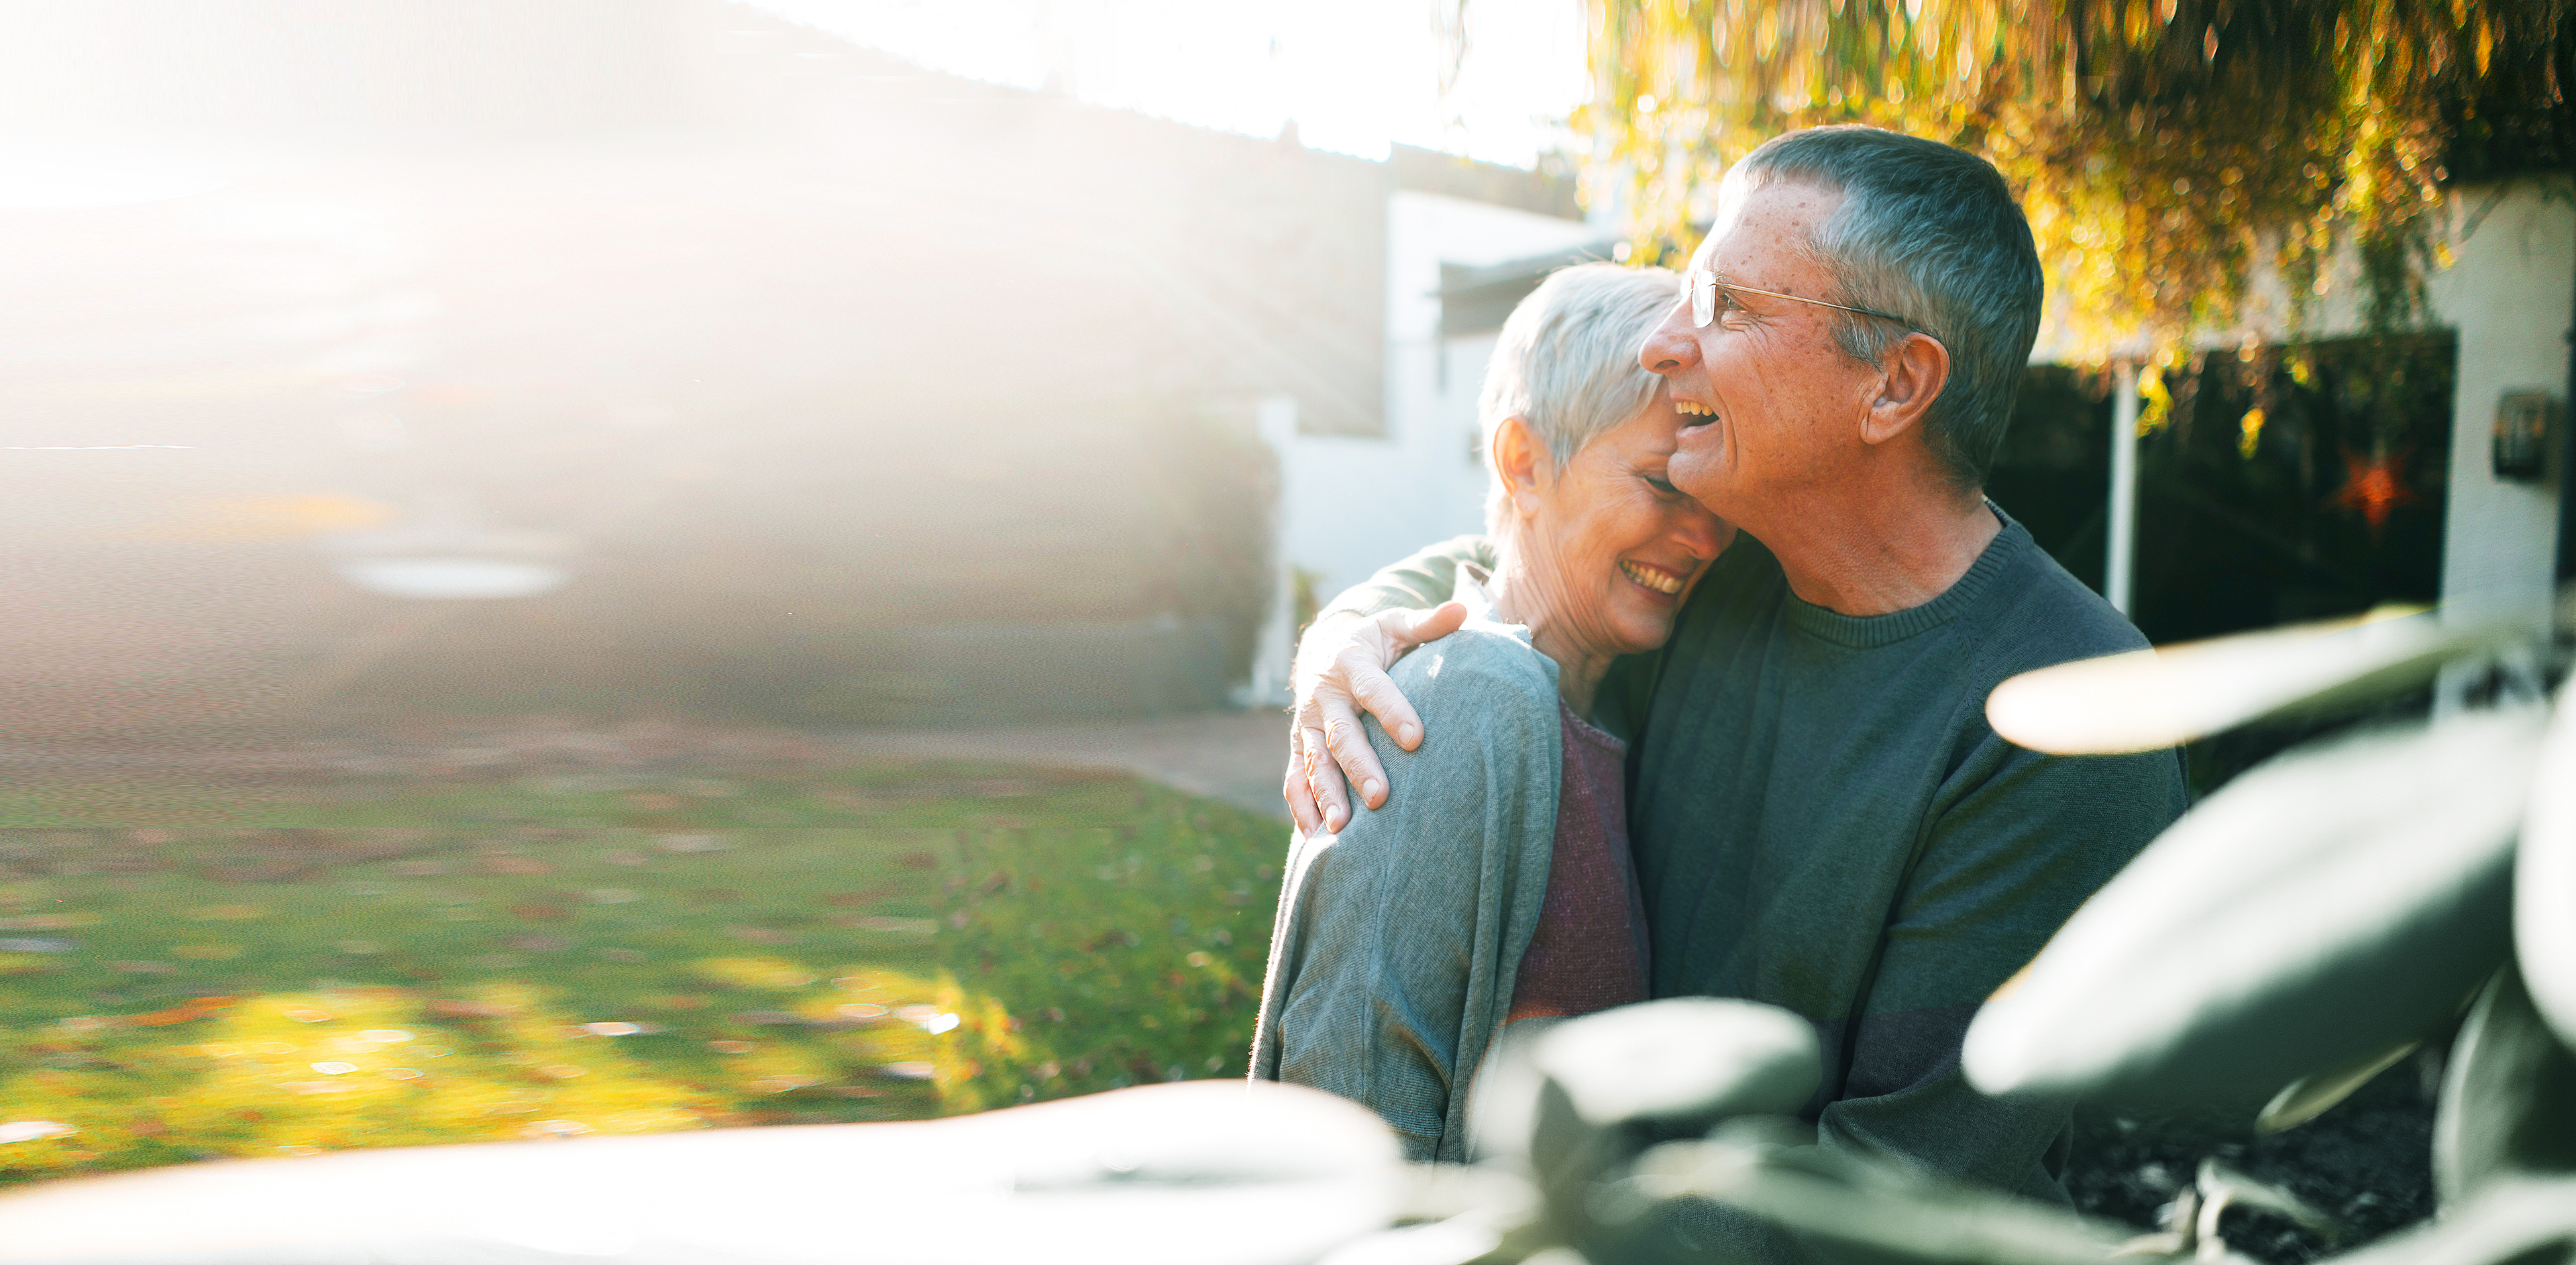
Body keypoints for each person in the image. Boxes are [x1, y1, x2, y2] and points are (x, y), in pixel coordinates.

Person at [1282, 126, 2190, 1240]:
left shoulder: (2073, 716)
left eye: (1726, 304)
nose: (1668, 341)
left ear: (1895, 384)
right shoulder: (1724, 568)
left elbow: (1876, 1209)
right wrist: (1346, 640)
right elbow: (1533, 563)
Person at [1248, 264, 1731, 1163]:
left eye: (1714, 499)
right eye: (1664, 486)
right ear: (1524, 463)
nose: (1705, 538)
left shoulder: (1613, 703)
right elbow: (1352, 1112)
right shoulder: (1458, 701)